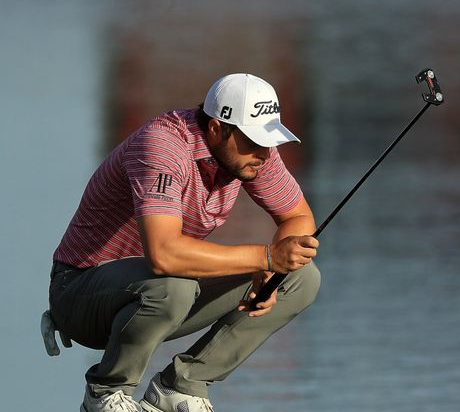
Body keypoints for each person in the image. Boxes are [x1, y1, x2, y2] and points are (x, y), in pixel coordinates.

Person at [45, 73, 321, 412]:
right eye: (253, 141)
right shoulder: (162, 146)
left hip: (157, 297)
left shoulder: (253, 154)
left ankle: (182, 385)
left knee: (300, 278)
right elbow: (163, 256)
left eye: (268, 140)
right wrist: (265, 257)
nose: (264, 153)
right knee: (172, 285)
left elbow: (298, 219)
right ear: (218, 128)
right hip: (80, 294)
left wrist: (272, 272)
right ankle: (106, 392)